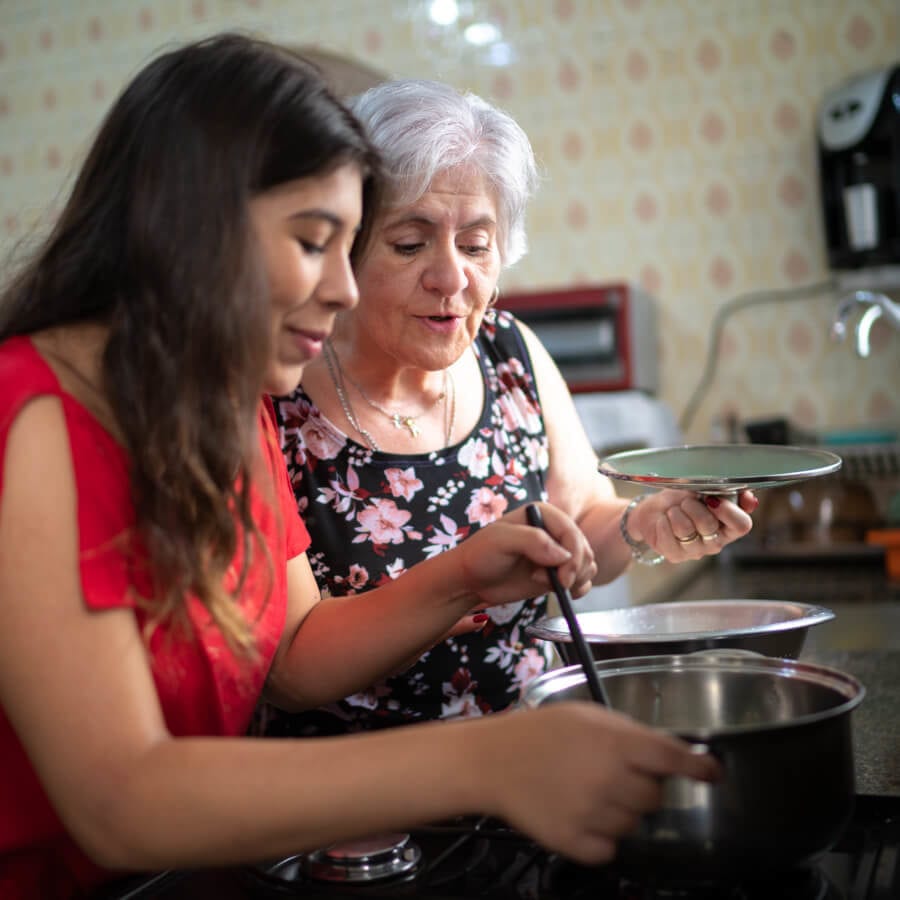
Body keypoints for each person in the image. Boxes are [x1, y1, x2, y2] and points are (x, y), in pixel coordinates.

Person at [0, 34, 722, 900]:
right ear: (189, 228)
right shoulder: (37, 412)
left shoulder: (218, 415)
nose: (345, 288)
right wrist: (482, 762)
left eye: (350, 246)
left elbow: (285, 655)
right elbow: (121, 799)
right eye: (317, 241)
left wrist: (474, 576)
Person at [266, 78, 758, 734]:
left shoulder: (510, 354)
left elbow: (579, 521)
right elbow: (291, 669)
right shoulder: (278, 391)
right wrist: (463, 578)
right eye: (410, 244)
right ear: (347, 243)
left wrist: (646, 524)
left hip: (530, 768)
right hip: (363, 810)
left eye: (475, 246)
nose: (451, 279)